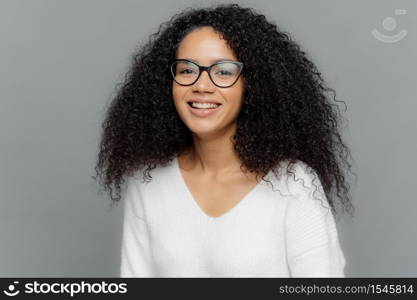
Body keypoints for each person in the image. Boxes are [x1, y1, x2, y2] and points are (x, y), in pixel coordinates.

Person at [93, 3, 355, 277]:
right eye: (186, 70)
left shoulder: (294, 185)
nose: (202, 85)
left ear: (253, 85)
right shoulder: (147, 182)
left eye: (224, 72)